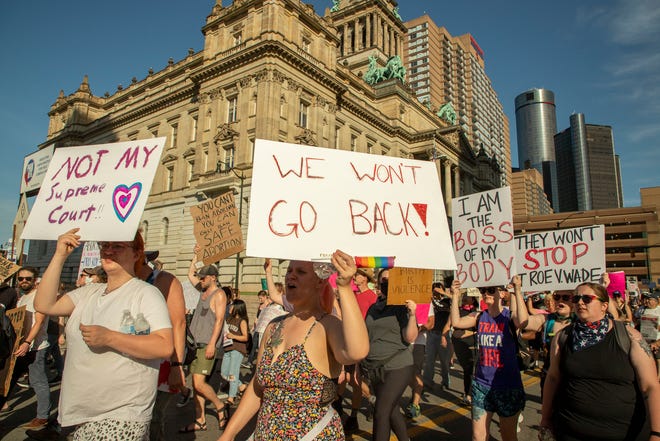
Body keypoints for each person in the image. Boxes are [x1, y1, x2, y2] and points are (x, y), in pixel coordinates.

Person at [33, 229, 173, 440]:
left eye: (117, 246)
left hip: (121, 413)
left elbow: (164, 346)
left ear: (137, 254)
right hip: (81, 412)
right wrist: (60, 255)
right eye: (105, 245)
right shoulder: (89, 293)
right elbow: (44, 304)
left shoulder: (145, 293)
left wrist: (110, 338)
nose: (108, 251)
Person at [218, 250, 369, 441]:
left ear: (320, 282)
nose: (291, 275)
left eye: (301, 272)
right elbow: (258, 387)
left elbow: (357, 351)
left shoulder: (326, 325)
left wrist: (345, 287)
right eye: (289, 270)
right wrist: (229, 434)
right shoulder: (274, 326)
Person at [540, 282, 660, 441]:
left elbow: (650, 386)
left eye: (587, 298)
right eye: (576, 298)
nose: (580, 302)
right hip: (571, 431)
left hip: (624, 433)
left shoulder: (629, 336)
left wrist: (656, 433)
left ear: (604, 306)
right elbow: (553, 378)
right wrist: (545, 419)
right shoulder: (562, 337)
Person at [450, 277, 526, 441]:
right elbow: (456, 322)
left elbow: (523, 321)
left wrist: (518, 291)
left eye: (491, 290)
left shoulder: (509, 317)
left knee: (507, 436)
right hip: (481, 385)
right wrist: (455, 295)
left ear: (503, 293)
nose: (485, 293)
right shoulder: (478, 316)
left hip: (508, 386)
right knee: (478, 437)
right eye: (482, 290)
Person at [135, 249, 188, 441]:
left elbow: (178, 324)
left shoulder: (164, 280)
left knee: (152, 418)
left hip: (161, 361)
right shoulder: (123, 283)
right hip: (131, 361)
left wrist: (177, 365)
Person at [362, 268, 418, 441]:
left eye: (390, 280)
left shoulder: (403, 306)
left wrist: (412, 314)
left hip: (397, 365)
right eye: (383, 280)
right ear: (379, 283)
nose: (387, 283)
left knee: (381, 411)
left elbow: (410, 337)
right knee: (391, 410)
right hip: (374, 367)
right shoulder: (373, 308)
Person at [0, 267, 52, 429]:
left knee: (38, 382)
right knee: (8, 380)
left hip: (35, 347)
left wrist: (27, 342)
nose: (24, 281)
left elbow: (39, 322)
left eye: (28, 279)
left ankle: (43, 417)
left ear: (35, 280)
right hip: (19, 348)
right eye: (21, 279)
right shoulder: (21, 298)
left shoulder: (38, 297)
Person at [179, 263, 228, 433]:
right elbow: (190, 273)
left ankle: (220, 405)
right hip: (195, 344)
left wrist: (213, 344)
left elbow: (219, 321)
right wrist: (195, 256)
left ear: (213, 277)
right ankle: (200, 420)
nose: (201, 279)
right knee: (195, 383)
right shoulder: (202, 291)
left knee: (199, 384)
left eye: (204, 277)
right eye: (200, 277)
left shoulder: (219, 294)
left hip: (207, 344)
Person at [450, 294, 479, 405]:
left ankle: (470, 394)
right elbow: (455, 328)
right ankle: (469, 393)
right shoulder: (459, 311)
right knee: (468, 370)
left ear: (473, 299)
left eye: (467, 296)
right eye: (463, 296)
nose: (465, 298)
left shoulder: (478, 312)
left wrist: (471, 333)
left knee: (473, 370)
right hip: (461, 346)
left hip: (475, 346)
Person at [423, 282, 452, 392]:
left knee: (444, 361)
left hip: (443, 335)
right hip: (432, 334)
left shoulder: (447, 301)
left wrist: (444, 293)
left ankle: (445, 381)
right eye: (434, 290)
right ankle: (427, 381)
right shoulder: (429, 301)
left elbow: (456, 300)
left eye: (438, 289)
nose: (436, 292)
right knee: (429, 360)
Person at [221, 298, 249, 406]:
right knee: (224, 373)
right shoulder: (229, 319)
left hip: (237, 349)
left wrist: (233, 336)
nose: (230, 307)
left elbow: (245, 337)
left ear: (237, 308)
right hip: (227, 348)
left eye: (232, 305)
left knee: (232, 374)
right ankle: (241, 386)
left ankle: (231, 397)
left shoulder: (242, 321)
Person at [639, 290, 660, 377]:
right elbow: (634, 319)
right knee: (646, 357)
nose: (647, 301)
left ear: (656, 301)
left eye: (650, 299)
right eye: (647, 299)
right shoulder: (642, 309)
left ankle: (658, 376)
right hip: (645, 338)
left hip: (657, 338)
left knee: (658, 357)